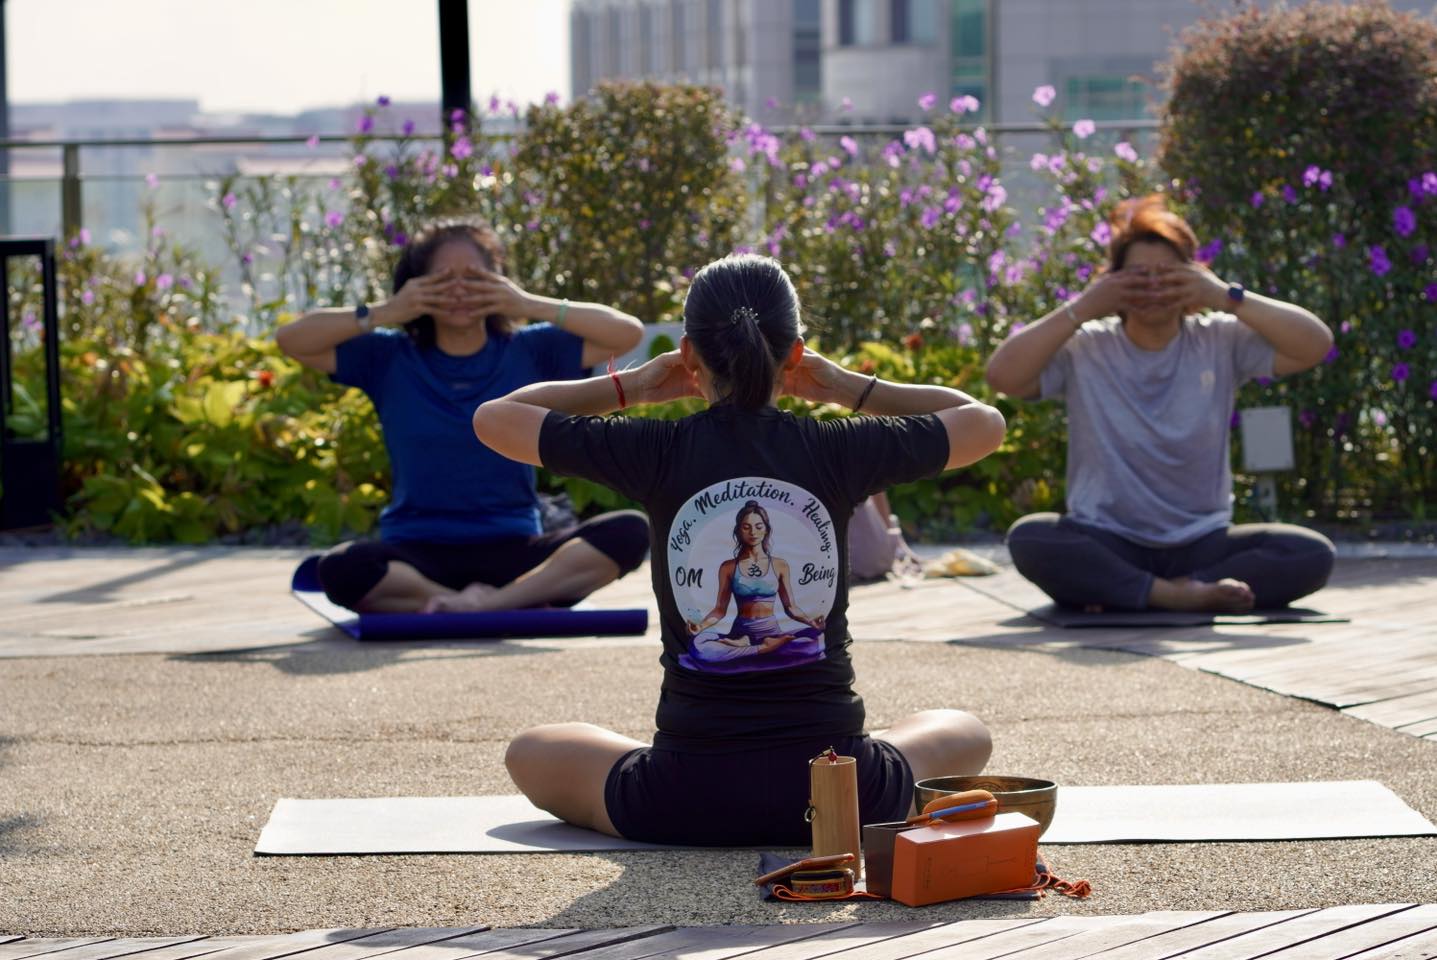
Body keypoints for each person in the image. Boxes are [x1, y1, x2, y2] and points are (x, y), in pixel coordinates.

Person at [472, 253, 1005, 845]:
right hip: (844, 793)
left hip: (685, 795)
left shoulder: (658, 449)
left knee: (530, 750)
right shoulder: (836, 448)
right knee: (965, 731)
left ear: (690, 356)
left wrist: (635, 386)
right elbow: (982, 422)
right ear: (796, 355)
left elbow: (497, 419)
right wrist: (841, 386)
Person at [275, 219, 650, 614]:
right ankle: (473, 603)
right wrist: (389, 310)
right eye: (442, 279)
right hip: (416, 553)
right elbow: (291, 339)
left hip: (514, 549)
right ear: (417, 284)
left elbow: (626, 333)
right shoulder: (387, 357)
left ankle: (487, 605)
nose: (458, 290)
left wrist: (525, 303)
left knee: (629, 531)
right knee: (341, 568)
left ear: (497, 281)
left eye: (473, 278)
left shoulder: (531, 349)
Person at [985, 195, 1336, 614]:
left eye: (1167, 275)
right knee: (1031, 538)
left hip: (1202, 542)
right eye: (1137, 276)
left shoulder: (1219, 339)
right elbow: (1002, 377)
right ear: (1112, 281)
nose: (1152, 287)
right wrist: (1082, 307)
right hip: (1107, 538)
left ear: (1192, 278)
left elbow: (1315, 344)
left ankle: (1158, 590)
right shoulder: (1085, 346)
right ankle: (1176, 595)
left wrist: (1226, 295)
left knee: (1310, 553)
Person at [683, 499, 825, 670]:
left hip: (772, 632)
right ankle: (763, 648)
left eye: (758, 526)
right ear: (739, 530)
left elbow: (791, 607)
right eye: (746, 527)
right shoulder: (729, 567)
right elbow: (720, 609)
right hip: (740, 633)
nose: (753, 532)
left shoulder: (780, 565)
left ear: (766, 529)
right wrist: (701, 626)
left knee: (814, 641)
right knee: (699, 647)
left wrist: (812, 623)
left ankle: (752, 648)